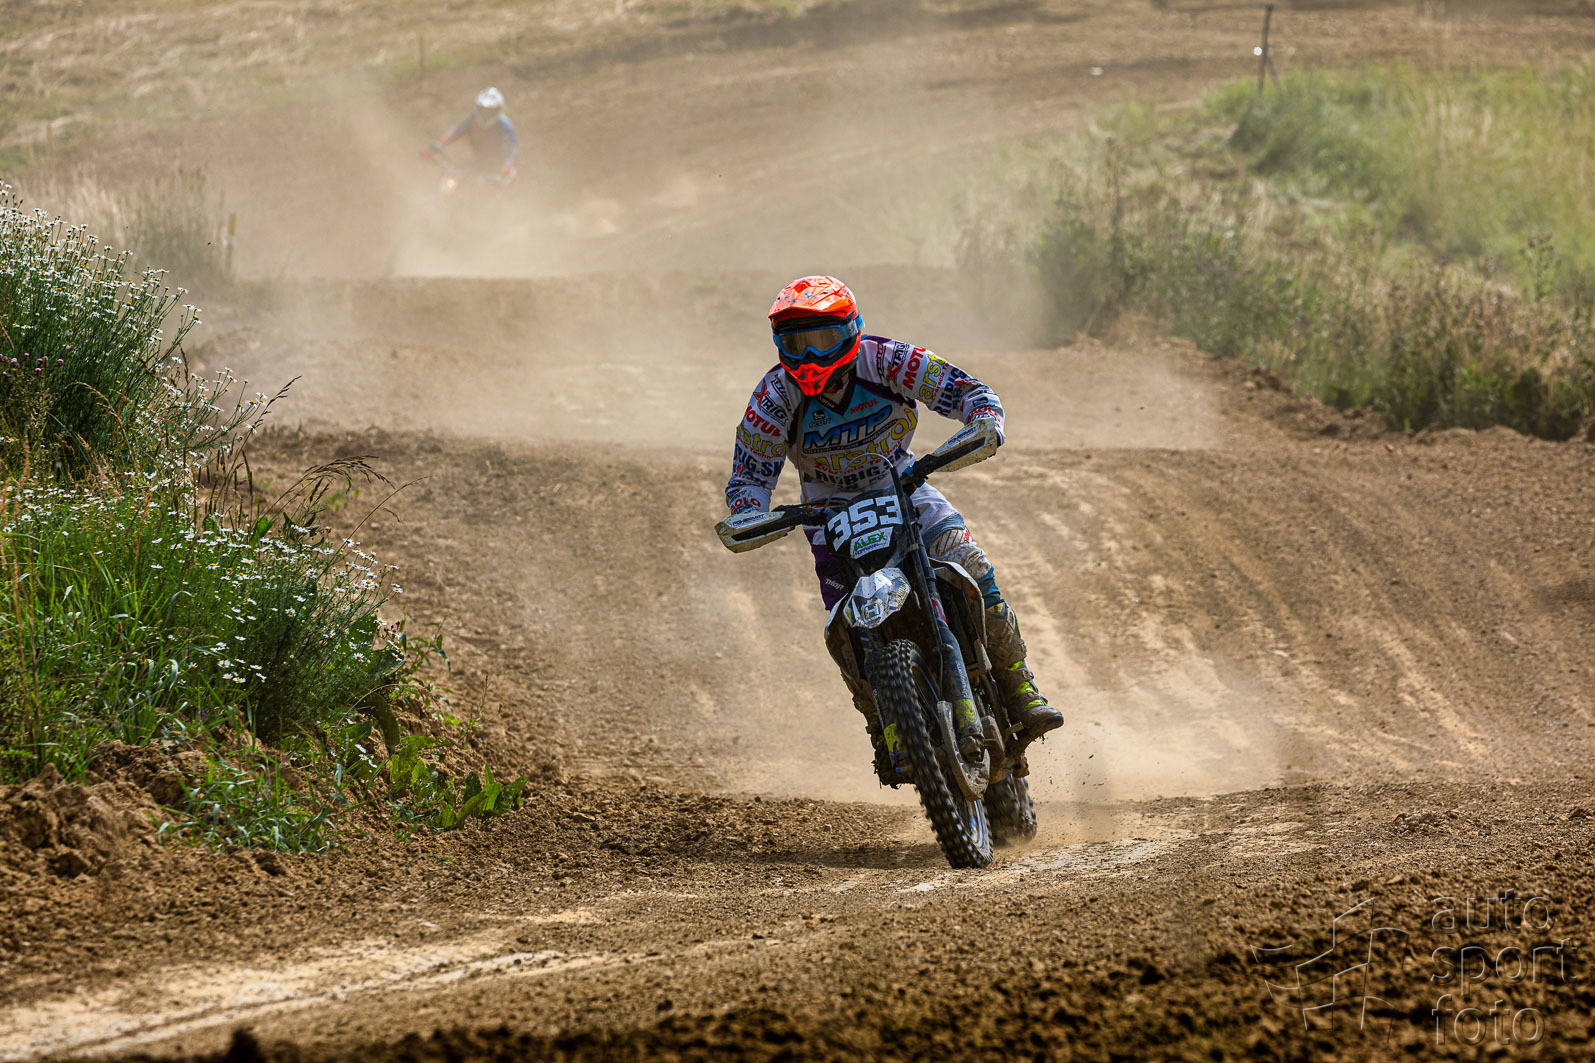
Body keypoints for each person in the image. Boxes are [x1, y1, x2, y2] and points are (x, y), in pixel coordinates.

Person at [725, 275, 1063, 782]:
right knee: (843, 624)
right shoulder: (773, 398)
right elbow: (749, 477)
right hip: (829, 512)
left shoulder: (887, 360)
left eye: (823, 339)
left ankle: (1019, 686)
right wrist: (749, 512)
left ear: (851, 330)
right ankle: (881, 724)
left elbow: (966, 390)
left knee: (971, 565)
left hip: (904, 485)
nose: (811, 356)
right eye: (797, 343)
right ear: (779, 345)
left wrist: (983, 418)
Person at [424, 87, 519, 183]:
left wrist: (506, 168)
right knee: (451, 177)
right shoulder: (473, 119)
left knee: (494, 185)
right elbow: (456, 131)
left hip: (496, 166)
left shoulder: (504, 125)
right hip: (476, 161)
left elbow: (512, 150)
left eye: (490, 111)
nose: (486, 114)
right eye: (483, 110)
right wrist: (438, 145)